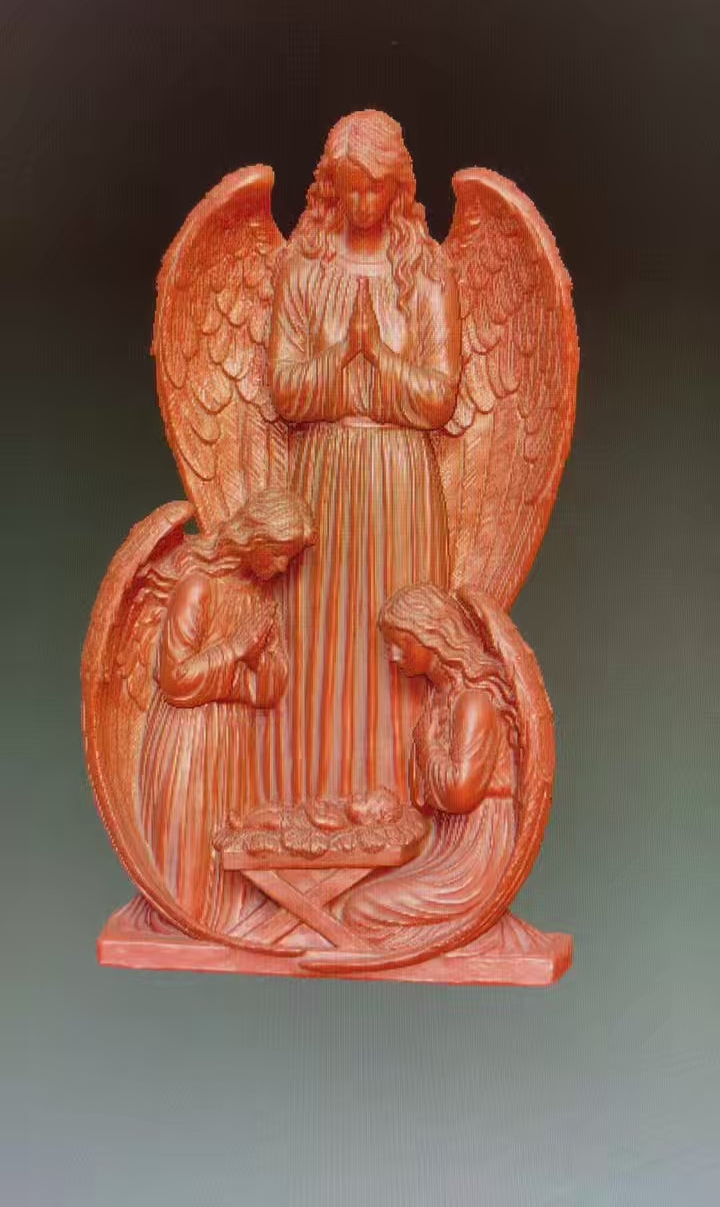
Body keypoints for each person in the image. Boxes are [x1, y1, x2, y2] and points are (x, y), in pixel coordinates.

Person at [268, 110, 462, 805]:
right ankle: (316, 799)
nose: (363, 200)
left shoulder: (427, 273)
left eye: (376, 185)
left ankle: (398, 807)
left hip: (399, 483)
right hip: (322, 477)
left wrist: (377, 356)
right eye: (350, 185)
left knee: (395, 639)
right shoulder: (302, 270)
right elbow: (284, 392)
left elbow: (439, 398)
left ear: (399, 187)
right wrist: (337, 357)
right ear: (331, 186)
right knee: (321, 636)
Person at [137, 489, 314, 933]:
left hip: (231, 739)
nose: (282, 567)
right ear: (253, 539)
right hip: (189, 738)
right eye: (278, 554)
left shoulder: (259, 599)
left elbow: (270, 689)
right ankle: (185, 920)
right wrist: (237, 651)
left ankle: (222, 926)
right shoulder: (198, 587)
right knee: (190, 839)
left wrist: (255, 662)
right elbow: (175, 679)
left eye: (290, 558)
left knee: (224, 844)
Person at [339, 584, 518, 950]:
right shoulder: (443, 697)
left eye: (400, 644)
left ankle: (449, 940)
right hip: (448, 844)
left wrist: (426, 744)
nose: (393, 656)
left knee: (359, 910)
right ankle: (445, 940)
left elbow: (459, 794)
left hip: (476, 853)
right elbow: (424, 797)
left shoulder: (474, 703)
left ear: (431, 637)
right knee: (358, 901)